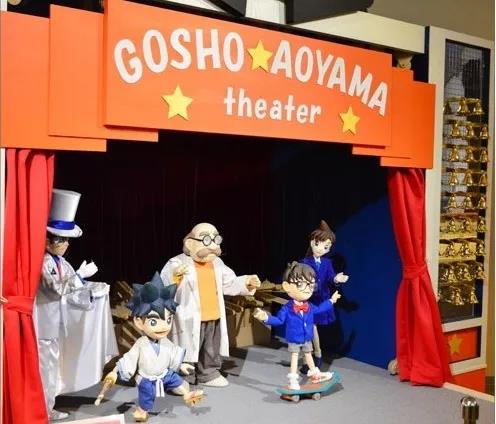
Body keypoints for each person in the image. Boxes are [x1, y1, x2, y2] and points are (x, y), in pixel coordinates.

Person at [160, 222, 261, 387]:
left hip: (213, 315)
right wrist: (175, 277)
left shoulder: (217, 263)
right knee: (185, 348)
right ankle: (182, 378)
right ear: (190, 243)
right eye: (206, 240)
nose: (213, 246)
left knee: (210, 348)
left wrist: (246, 282)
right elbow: (164, 286)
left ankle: (208, 374)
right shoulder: (177, 262)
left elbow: (230, 283)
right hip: (188, 317)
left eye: (216, 240)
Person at [34, 189, 99, 421]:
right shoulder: (43, 262)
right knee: (45, 369)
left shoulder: (61, 262)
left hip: (56, 325)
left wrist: (92, 288)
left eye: (67, 240)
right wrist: (80, 277)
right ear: (48, 240)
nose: (66, 244)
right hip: (43, 324)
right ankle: (44, 410)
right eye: (62, 240)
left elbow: (73, 287)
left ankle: (48, 406)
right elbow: (58, 288)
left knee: (53, 368)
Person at [104, 273, 203, 422]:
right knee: (146, 395)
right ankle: (142, 410)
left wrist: (181, 365)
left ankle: (187, 394)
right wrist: (114, 372)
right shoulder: (141, 344)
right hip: (147, 378)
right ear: (139, 322)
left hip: (164, 374)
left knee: (176, 379)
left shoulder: (165, 342)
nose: (164, 326)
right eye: (153, 322)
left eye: (168, 320)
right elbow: (129, 359)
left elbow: (172, 353)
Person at [253, 262, 340, 390]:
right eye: (301, 284)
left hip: (307, 337)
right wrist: (266, 318)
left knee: (308, 354)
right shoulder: (287, 308)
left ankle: (315, 374)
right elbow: (279, 320)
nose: (307, 289)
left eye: (311, 285)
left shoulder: (309, 306)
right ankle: (293, 379)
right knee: (294, 357)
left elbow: (320, 309)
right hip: (294, 338)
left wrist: (331, 300)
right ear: (287, 286)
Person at [300, 220, 348, 368]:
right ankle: (312, 357)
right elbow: (300, 281)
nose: (321, 249)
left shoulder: (327, 263)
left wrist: (336, 279)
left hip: (322, 299)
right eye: (318, 244)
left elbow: (330, 278)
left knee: (313, 328)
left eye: (326, 247)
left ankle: (316, 356)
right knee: (310, 327)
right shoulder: (304, 262)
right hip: (308, 299)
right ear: (312, 243)